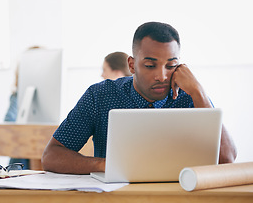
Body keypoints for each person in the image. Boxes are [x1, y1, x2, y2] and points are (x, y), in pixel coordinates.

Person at [42, 21, 237, 174]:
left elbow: (227, 159)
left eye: (171, 66)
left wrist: (198, 92)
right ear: (132, 65)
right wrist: (106, 165)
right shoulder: (100, 96)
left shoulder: (191, 97)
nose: (161, 76)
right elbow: (52, 155)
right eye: (151, 66)